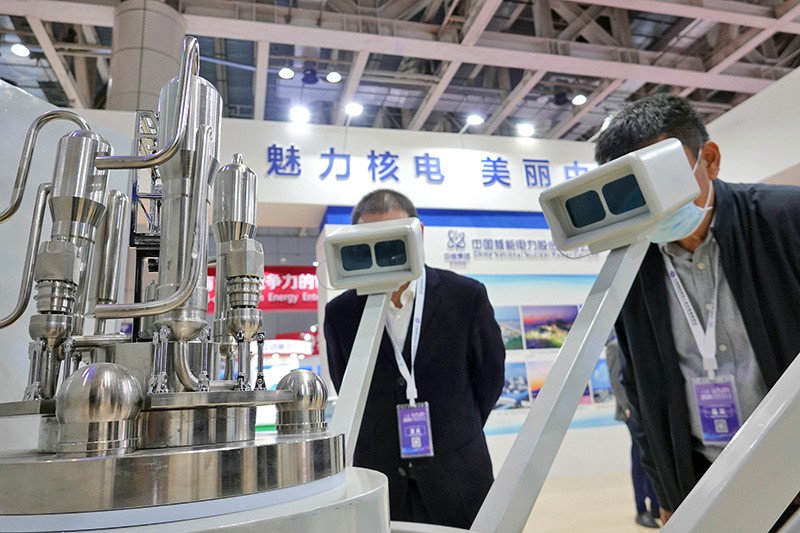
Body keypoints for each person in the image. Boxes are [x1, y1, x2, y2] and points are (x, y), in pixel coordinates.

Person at [595, 93, 800, 524]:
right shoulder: (631, 267)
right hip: (707, 484)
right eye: (632, 190)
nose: (651, 203)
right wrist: (668, 490)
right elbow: (638, 389)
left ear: (708, 160)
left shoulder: (786, 220)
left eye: (659, 178)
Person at [324, 189, 505, 528]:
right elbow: (347, 386)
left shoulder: (465, 297)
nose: (384, 252)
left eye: (394, 240)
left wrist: (454, 428)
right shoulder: (341, 314)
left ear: (418, 234)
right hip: (379, 483)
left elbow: (490, 378)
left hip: (458, 475)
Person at [606, 334, 660, 529]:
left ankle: (656, 505)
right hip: (633, 412)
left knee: (655, 457)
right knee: (640, 458)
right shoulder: (614, 346)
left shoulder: (640, 339)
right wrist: (627, 408)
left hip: (649, 409)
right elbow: (616, 381)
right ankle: (641, 509)